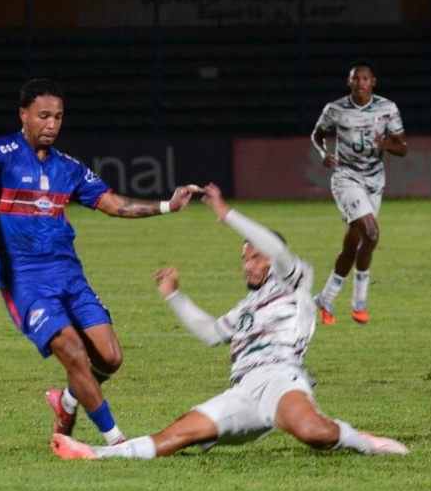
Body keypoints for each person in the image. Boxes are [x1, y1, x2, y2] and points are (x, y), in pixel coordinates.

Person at [0, 78, 200, 446]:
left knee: (110, 358)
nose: (51, 124)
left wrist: (168, 205)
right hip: (24, 279)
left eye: (58, 117)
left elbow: (112, 204)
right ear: (24, 115)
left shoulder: (69, 168)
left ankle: (67, 401)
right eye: (43, 116)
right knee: (70, 348)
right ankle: (117, 440)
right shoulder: (0, 154)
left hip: (68, 274)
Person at [51, 183, 409, 460]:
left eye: (256, 256)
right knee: (176, 435)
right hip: (242, 390)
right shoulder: (246, 307)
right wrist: (174, 295)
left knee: (313, 432)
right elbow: (210, 334)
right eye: (244, 258)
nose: (249, 263)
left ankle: (364, 442)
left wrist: (227, 214)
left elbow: (277, 249)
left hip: (281, 379)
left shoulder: (294, 279)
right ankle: (95, 454)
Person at [310, 58, 408, 325]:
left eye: (365, 79)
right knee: (372, 234)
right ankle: (359, 302)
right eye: (355, 78)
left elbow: (402, 147)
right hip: (346, 177)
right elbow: (317, 134)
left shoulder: (387, 108)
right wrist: (323, 153)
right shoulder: (336, 109)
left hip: (374, 180)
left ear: (373, 82)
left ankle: (325, 298)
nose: (360, 83)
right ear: (349, 82)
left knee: (352, 245)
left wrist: (385, 143)